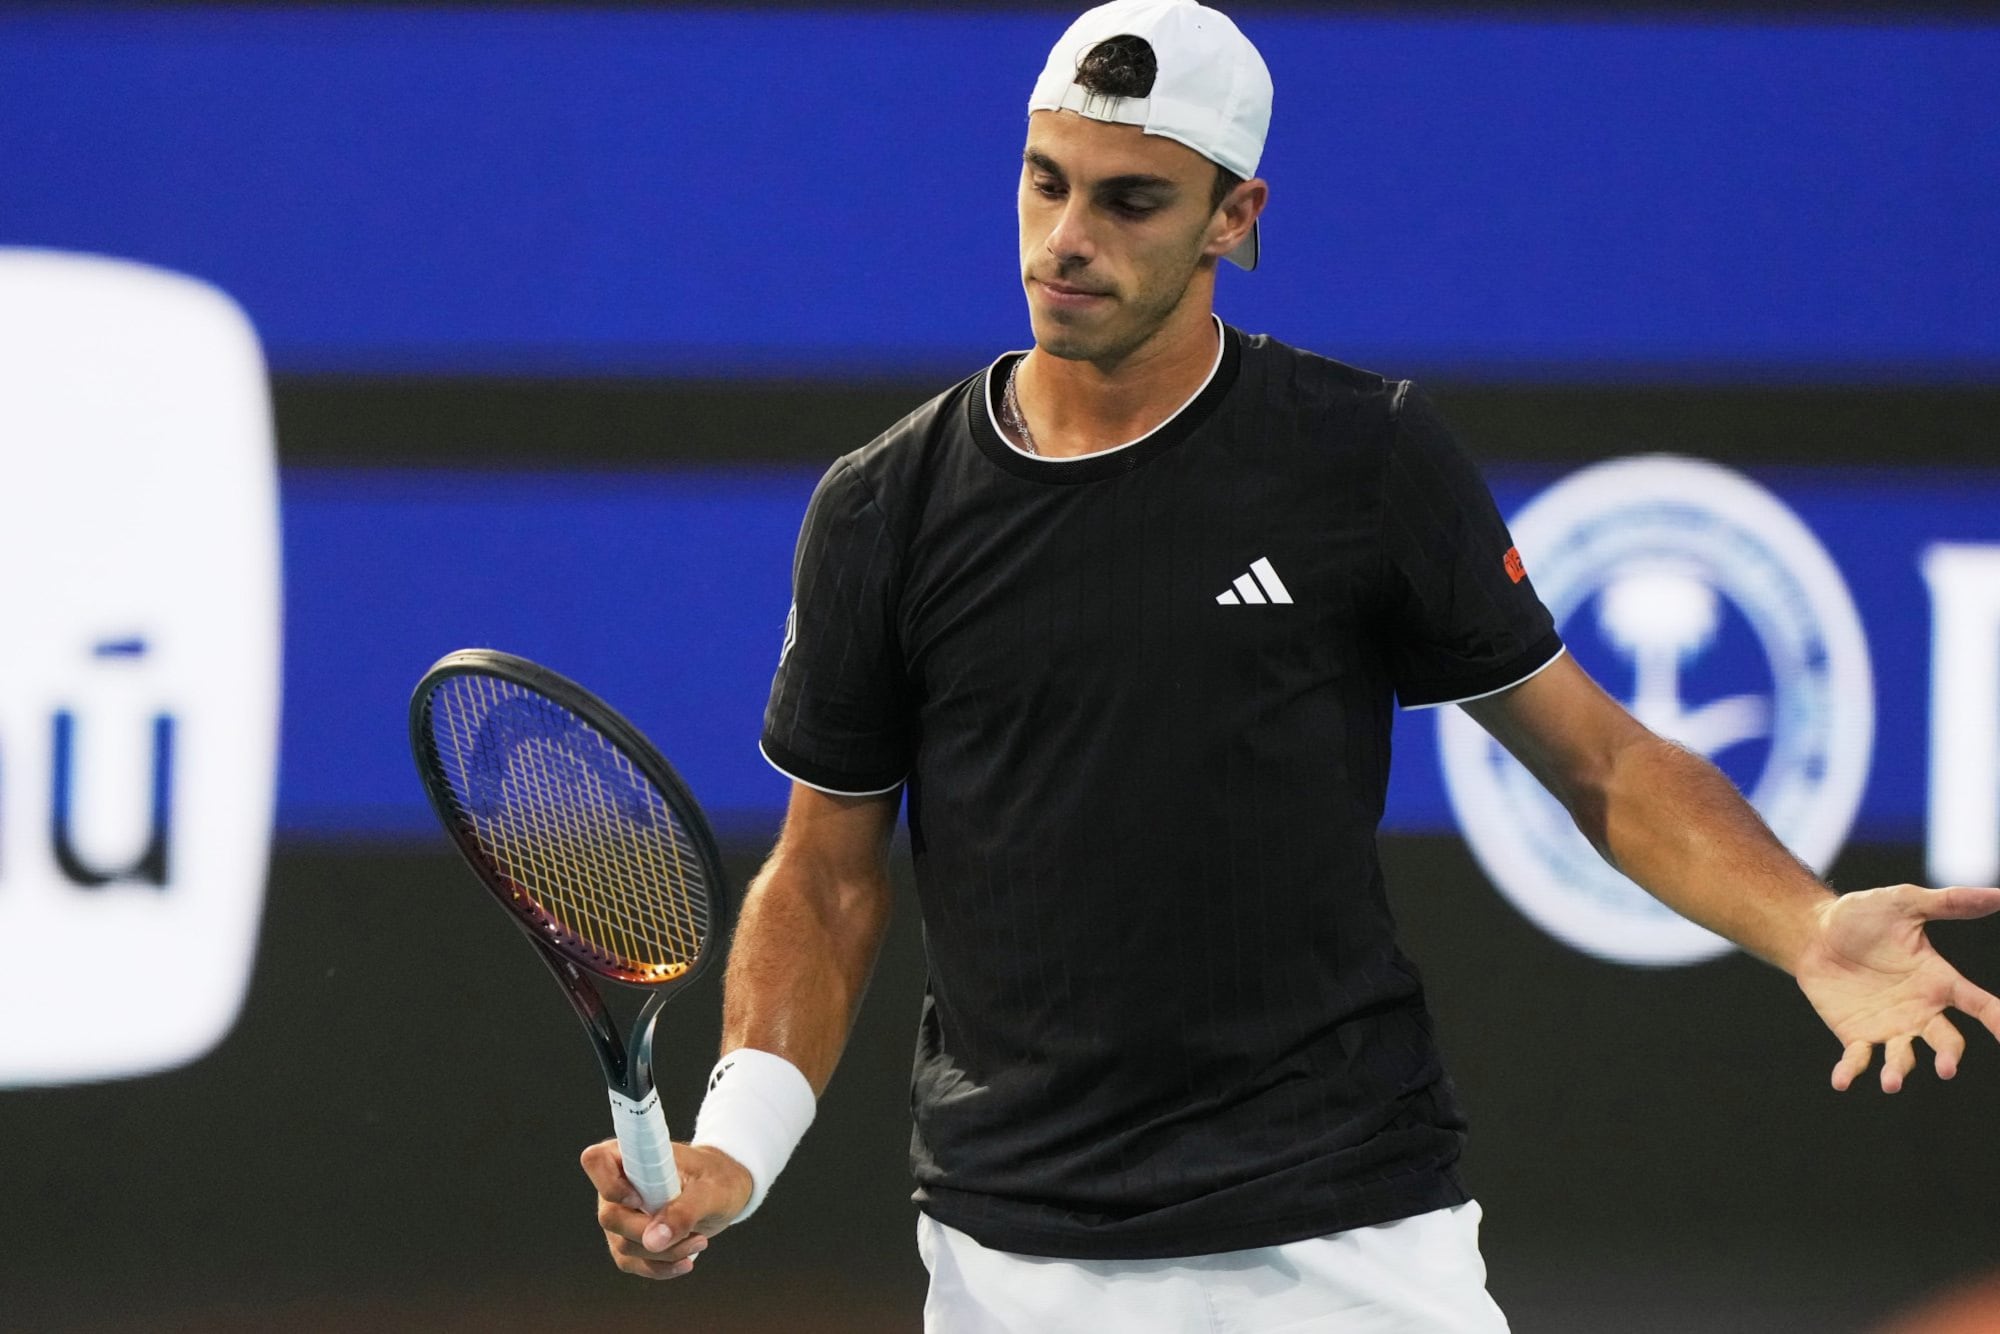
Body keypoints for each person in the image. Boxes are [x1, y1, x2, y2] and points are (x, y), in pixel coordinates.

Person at [579, 1, 2000, 1328]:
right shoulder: (884, 507)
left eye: (1130, 199)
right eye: (1045, 179)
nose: (1066, 237)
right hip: (1017, 1262)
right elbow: (827, 876)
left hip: (1355, 1242)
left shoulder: (1362, 455)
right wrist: (735, 1149)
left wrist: (1806, 923)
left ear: (1234, 219)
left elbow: (1602, 760)